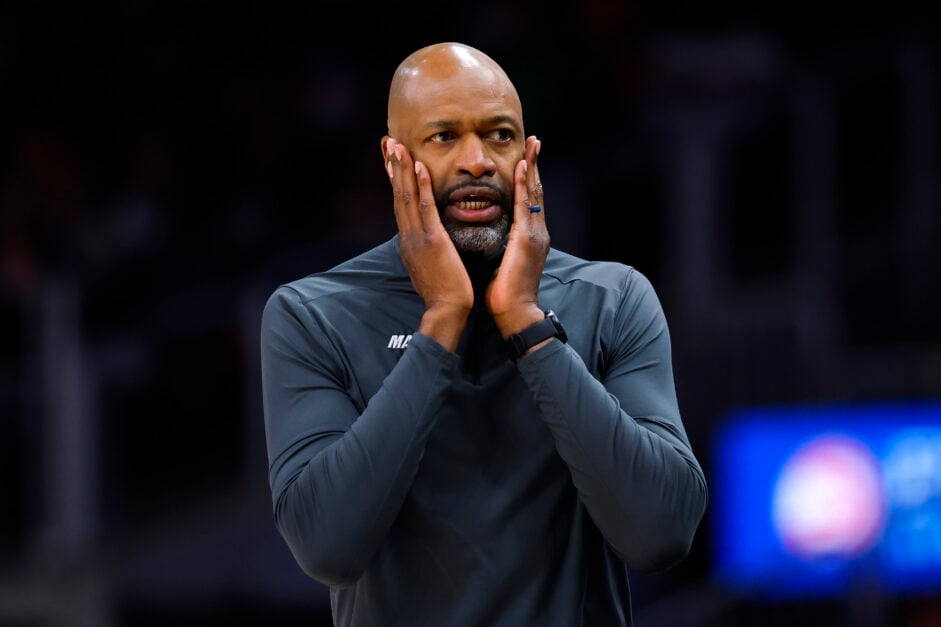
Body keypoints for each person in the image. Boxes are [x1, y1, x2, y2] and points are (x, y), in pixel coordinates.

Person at [260, 41, 708, 627]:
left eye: (499, 135)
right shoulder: (311, 314)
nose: (477, 161)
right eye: (444, 137)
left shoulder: (614, 298)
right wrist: (442, 317)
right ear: (395, 159)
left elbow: (662, 533)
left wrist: (525, 320)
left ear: (529, 154)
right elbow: (328, 547)